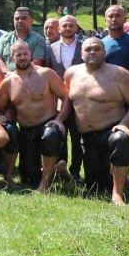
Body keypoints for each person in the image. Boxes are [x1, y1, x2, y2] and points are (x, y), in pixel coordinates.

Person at [66, 37, 129, 205]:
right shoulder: (71, 73)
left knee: (121, 140)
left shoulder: (119, 74)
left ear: (104, 52)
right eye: (88, 49)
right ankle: (115, 180)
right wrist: (59, 119)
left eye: (97, 49)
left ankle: (118, 194)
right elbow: (67, 100)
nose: (92, 52)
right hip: (87, 138)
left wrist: (124, 124)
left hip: (111, 132)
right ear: (81, 53)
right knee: (96, 188)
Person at [0, 41, 71, 193]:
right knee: (29, 178)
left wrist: (59, 119)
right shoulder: (7, 83)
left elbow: (66, 96)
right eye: (18, 55)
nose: (23, 57)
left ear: (30, 54)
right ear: (12, 57)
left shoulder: (46, 74)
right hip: (26, 131)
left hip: (48, 126)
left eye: (25, 54)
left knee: (50, 134)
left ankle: (44, 184)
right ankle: (58, 170)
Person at [43, 14, 84, 181]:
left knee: (78, 138)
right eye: (64, 25)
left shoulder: (84, 46)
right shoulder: (50, 48)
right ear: (59, 28)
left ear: (76, 27)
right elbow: (47, 72)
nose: (67, 28)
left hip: (81, 100)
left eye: (71, 25)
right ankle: (61, 169)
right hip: (58, 100)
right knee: (60, 134)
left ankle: (75, 171)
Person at [0, 7, 46, 72]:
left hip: (29, 77)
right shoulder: (4, 38)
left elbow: (37, 61)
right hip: (7, 76)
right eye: (17, 18)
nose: (20, 21)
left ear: (31, 21)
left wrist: (18, 75)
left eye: (24, 18)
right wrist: (8, 74)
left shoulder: (38, 39)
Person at [102, 5, 129, 71]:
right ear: (105, 20)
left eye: (118, 16)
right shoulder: (100, 44)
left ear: (125, 19)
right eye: (110, 16)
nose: (114, 19)